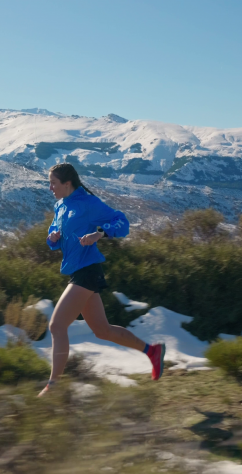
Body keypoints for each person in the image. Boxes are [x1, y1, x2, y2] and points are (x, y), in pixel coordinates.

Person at [38, 163, 164, 397]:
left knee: (56, 325)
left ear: (67, 184)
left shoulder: (88, 203)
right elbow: (53, 237)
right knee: (102, 331)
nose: (50, 187)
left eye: (53, 183)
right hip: (77, 271)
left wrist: (100, 233)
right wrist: (53, 237)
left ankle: (53, 387)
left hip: (88, 271)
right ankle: (152, 351)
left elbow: (121, 222)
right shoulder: (60, 206)